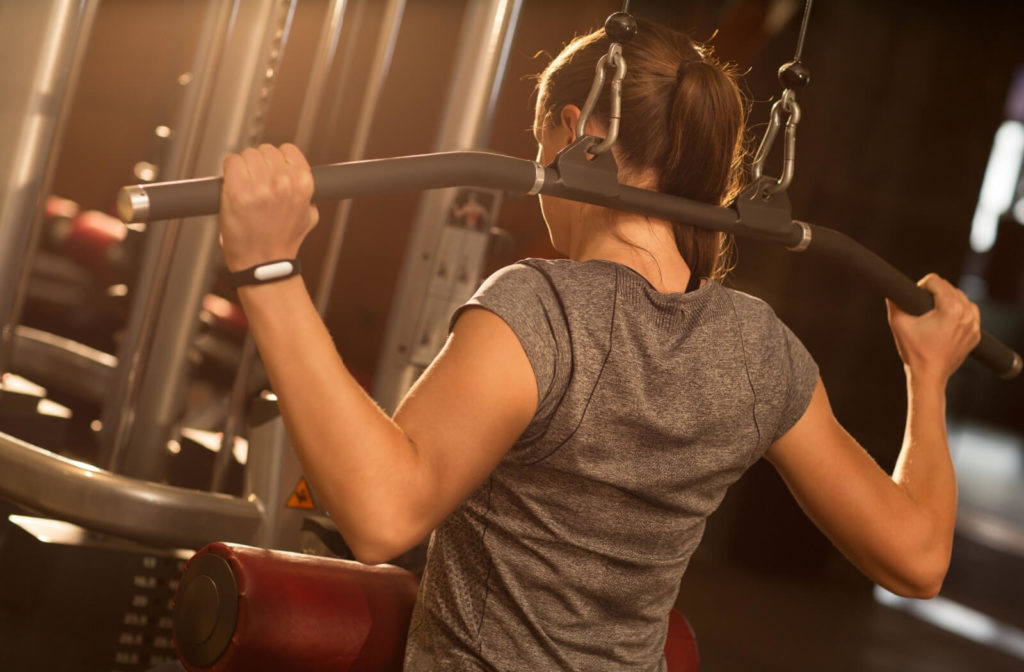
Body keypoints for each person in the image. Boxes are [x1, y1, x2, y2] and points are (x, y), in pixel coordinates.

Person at [216, 18, 981, 672]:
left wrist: (268, 269)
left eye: (540, 138)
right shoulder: (758, 349)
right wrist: (929, 372)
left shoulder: (541, 310)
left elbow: (380, 517)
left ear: (575, 132)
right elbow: (917, 559)